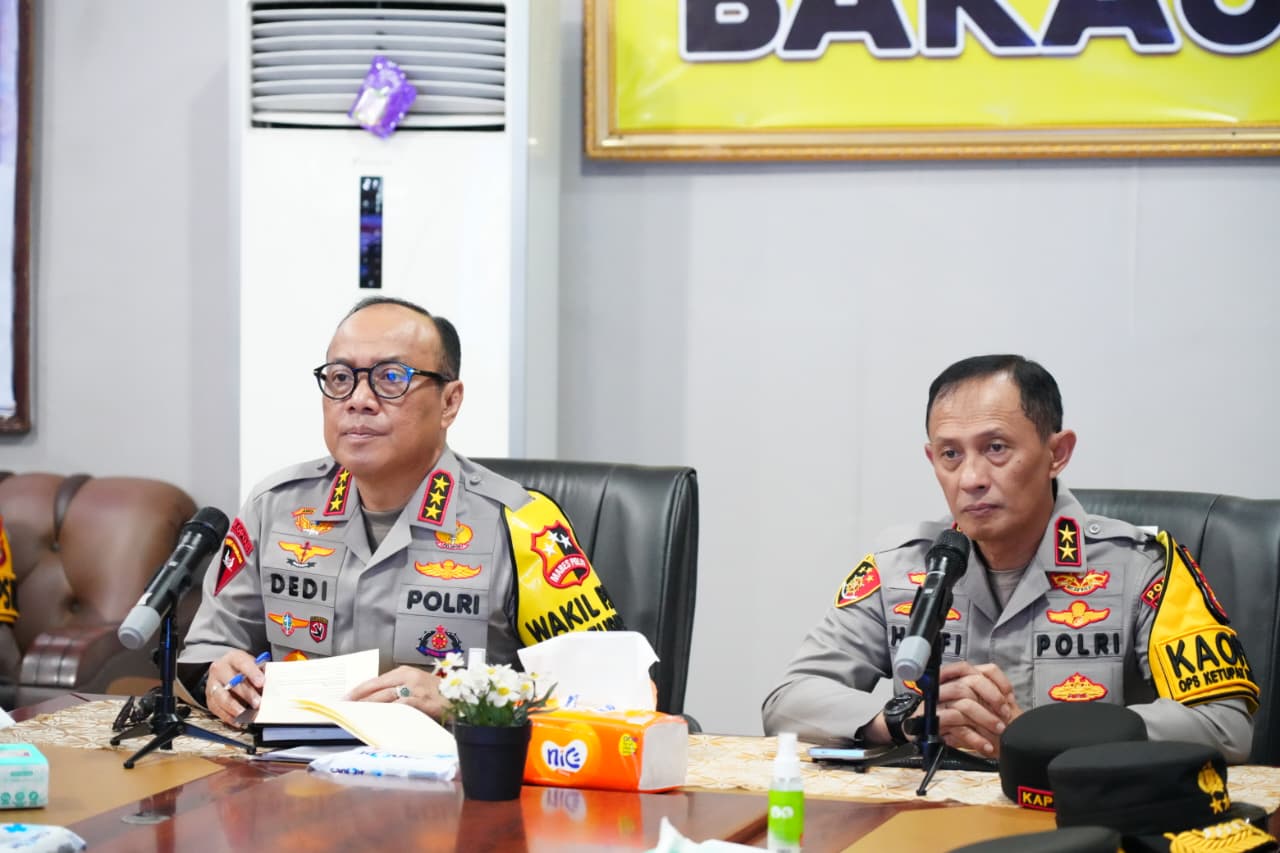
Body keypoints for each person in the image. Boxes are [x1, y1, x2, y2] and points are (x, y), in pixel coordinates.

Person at [762, 355, 1257, 762]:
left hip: (1076, 821)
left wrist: (1041, 736)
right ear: (932, 460)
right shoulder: (902, 568)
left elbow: (1225, 724)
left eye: (995, 448)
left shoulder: (1143, 567)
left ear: (1057, 453)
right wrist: (903, 719)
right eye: (951, 455)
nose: (971, 478)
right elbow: (788, 699)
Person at [179, 297, 625, 725]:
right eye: (340, 377)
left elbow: (614, 694)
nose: (359, 399)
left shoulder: (521, 523)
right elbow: (204, 654)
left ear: (449, 402)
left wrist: (465, 701)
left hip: (457, 774)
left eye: (391, 377)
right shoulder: (274, 508)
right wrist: (217, 679)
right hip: (290, 771)